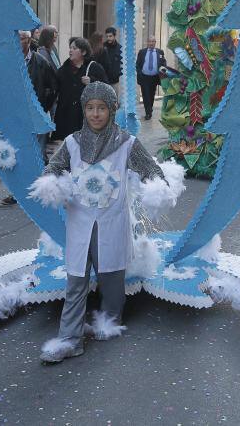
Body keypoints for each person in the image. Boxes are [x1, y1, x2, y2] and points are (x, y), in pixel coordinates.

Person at [34, 82, 166, 363]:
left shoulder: (126, 143)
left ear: (112, 110)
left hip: (112, 222)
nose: (95, 114)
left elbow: (150, 168)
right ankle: (69, 339)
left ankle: (109, 320)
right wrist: (51, 182)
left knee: (112, 276)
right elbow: (54, 167)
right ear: (84, 110)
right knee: (76, 280)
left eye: (102, 108)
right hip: (80, 223)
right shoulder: (72, 143)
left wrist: (157, 186)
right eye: (90, 108)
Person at [0, 30, 58, 207]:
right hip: (16, 117)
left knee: (37, 154)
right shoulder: (9, 61)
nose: (18, 42)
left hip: (36, 116)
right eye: (16, 38)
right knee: (17, 155)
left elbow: (53, 87)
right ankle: (18, 192)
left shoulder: (40, 62)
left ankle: (39, 189)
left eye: (22, 39)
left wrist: (43, 107)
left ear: (29, 40)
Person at [52, 37, 107, 141]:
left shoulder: (94, 68)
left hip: (86, 118)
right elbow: (53, 91)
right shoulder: (62, 70)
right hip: (65, 118)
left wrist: (92, 81)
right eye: (70, 48)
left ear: (84, 52)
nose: (70, 50)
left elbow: (106, 88)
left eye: (74, 48)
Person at [136, 36, 167, 120]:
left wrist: (163, 71)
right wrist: (140, 73)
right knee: (145, 95)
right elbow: (138, 64)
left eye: (153, 41)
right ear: (147, 42)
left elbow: (163, 63)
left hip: (154, 77)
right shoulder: (142, 52)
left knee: (151, 95)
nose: (151, 43)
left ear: (155, 43)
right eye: (150, 41)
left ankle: (150, 108)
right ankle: (148, 112)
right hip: (144, 77)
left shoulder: (160, 52)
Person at [102, 27, 123, 95]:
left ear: (114, 36)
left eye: (110, 36)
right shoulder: (102, 47)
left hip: (114, 81)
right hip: (103, 80)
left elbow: (122, 63)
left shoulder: (120, 48)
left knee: (113, 101)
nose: (108, 38)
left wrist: (118, 73)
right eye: (107, 36)